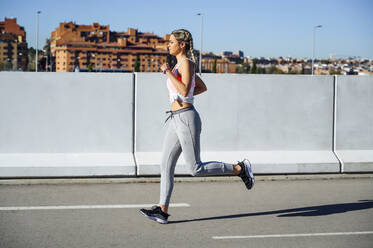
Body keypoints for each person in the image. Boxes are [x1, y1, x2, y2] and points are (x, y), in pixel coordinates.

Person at [140, 29, 254, 224]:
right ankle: (162, 210)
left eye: (172, 42)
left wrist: (167, 72)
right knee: (165, 165)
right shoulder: (180, 66)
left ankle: (239, 168)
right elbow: (198, 87)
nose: (169, 45)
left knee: (195, 168)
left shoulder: (187, 64)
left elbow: (184, 90)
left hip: (186, 119)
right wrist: (176, 80)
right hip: (175, 118)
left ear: (181, 45)